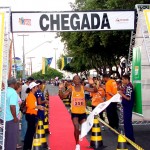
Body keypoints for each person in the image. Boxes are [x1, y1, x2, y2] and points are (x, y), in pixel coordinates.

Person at [58, 75, 97, 150]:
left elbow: (95, 90)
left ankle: (80, 134)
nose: (77, 80)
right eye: (75, 79)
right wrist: (60, 89)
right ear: (73, 81)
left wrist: (93, 84)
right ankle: (77, 144)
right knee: (76, 127)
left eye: (78, 79)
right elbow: (62, 97)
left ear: (80, 80)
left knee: (84, 128)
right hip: (74, 112)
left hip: (82, 112)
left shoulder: (83, 88)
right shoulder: (71, 89)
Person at [23, 82, 45, 150]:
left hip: (32, 115)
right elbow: (31, 106)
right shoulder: (30, 96)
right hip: (30, 115)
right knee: (30, 132)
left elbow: (33, 106)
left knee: (30, 131)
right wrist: (39, 107)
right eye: (36, 87)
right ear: (33, 88)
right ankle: (27, 146)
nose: (37, 88)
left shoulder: (32, 95)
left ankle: (28, 146)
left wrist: (39, 107)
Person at [118, 74, 135, 142]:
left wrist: (121, 94)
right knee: (126, 122)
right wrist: (122, 96)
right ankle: (128, 137)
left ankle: (130, 138)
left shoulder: (129, 87)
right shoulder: (126, 86)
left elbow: (128, 98)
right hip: (126, 106)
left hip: (128, 106)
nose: (122, 81)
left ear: (126, 79)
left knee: (127, 122)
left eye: (123, 79)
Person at [5, 77, 19, 150]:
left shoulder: (4, 91)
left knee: (5, 139)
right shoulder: (13, 92)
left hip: (4, 118)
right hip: (11, 119)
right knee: (12, 140)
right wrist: (15, 118)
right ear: (14, 84)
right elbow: (12, 106)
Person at [20, 77, 34, 142]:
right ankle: (24, 137)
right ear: (30, 81)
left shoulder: (23, 86)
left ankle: (24, 136)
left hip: (23, 104)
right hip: (26, 105)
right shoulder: (26, 87)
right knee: (25, 122)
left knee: (24, 122)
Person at [15, 81, 23, 149]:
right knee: (15, 131)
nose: (21, 88)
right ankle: (15, 144)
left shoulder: (17, 94)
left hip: (17, 114)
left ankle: (16, 143)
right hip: (15, 115)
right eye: (20, 87)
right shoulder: (15, 94)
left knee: (16, 130)